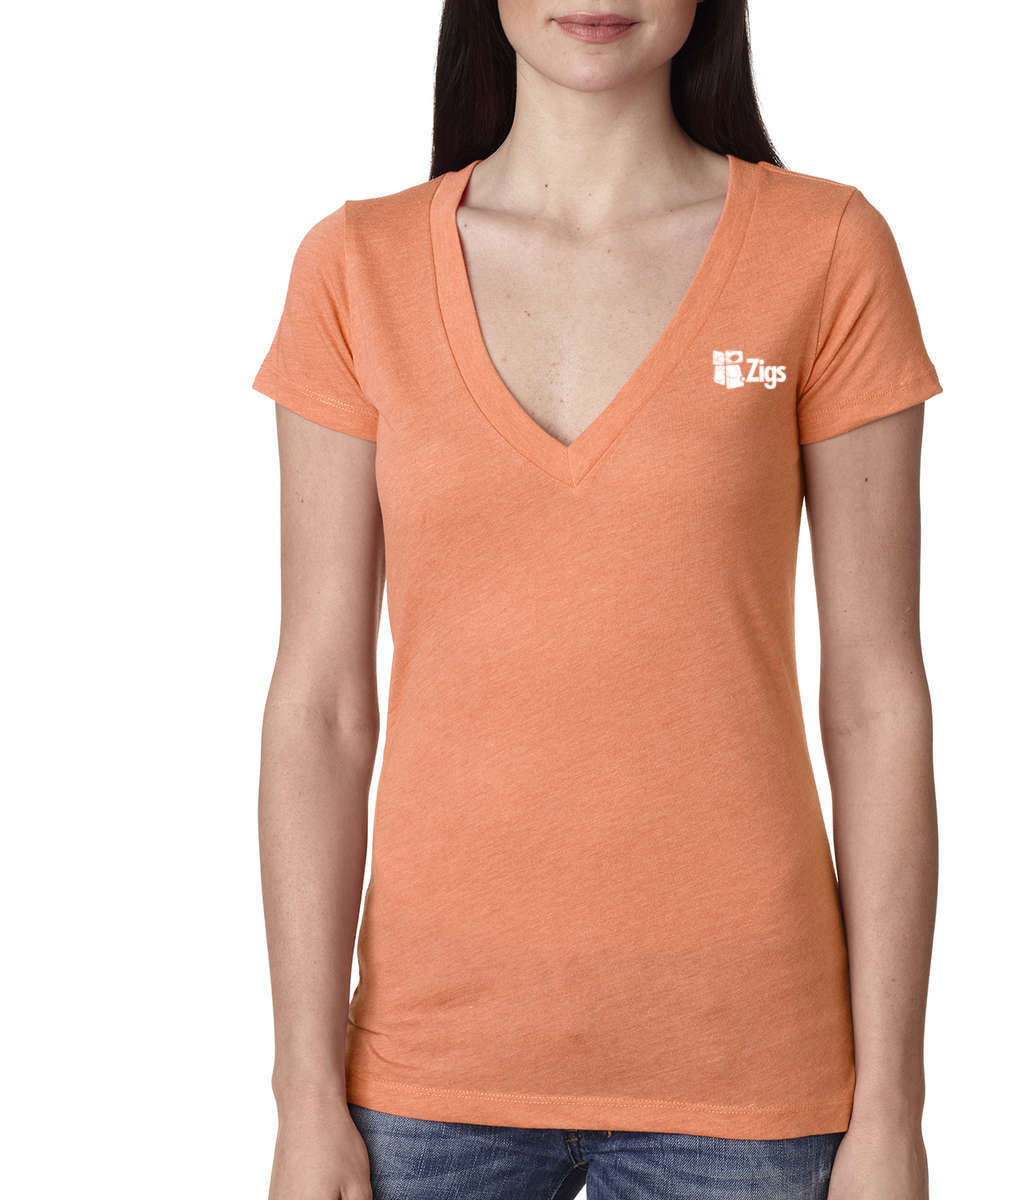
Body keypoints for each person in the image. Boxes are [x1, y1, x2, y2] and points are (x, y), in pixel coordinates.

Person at [251, 3, 942, 1198]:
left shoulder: (826, 249)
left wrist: (893, 1109)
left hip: (748, 1077)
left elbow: (877, 699)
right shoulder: (356, 266)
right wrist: (303, 1094)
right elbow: (321, 707)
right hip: (424, 1076)